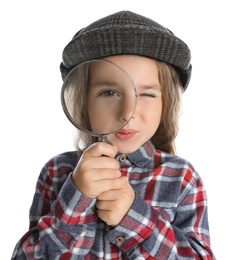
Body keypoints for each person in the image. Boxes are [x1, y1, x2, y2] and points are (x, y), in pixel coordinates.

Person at [12, 10, 216, 259]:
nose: (127, 113)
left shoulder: (182, 177)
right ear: (82, 101)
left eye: (147, 94)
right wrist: (75, 199)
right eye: (109, 92)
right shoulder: (57, 172)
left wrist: (134, 218)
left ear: (167, 103)